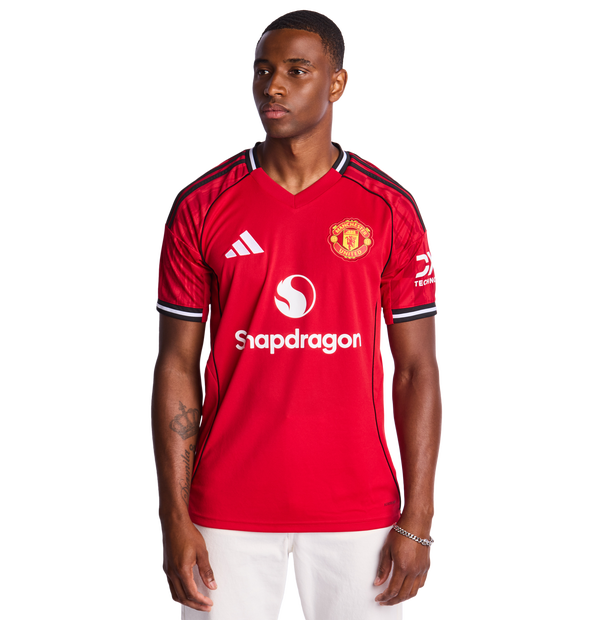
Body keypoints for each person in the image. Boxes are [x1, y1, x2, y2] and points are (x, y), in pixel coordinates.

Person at [149, 8, 443, 620]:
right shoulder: (201, 205)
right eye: (263, 71)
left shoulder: (388, 208)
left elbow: (416, 370)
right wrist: (173, 516)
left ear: (338, 82)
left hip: (358, 509)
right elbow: (176, 364)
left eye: (296, 70)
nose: (273, 86)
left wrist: (418, 518)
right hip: (225, 508)